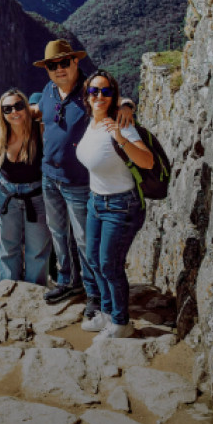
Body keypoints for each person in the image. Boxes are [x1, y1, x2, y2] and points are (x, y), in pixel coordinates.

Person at [31, 40, 134, 319]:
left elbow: (111, 96)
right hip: (49, 176)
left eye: (65, 62)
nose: (59, 69)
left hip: (77, 182)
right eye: (53, 65)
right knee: (59, 233)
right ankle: (67, 281)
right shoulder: (48, 91)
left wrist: (127, 104)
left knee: (85, 240)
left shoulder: (88, 92)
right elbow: (38, 109)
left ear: (75, 62)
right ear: (48, 70)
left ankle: (95, 295)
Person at [76, 70, 154, 339]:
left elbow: (147, 161)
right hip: (96, 201)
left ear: (113, 95)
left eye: (106, 91)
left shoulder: (122, 125)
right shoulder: (92, 122)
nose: (99, 96)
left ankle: (121, 322)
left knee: (110, 264)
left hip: (121, 205)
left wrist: (121, 137)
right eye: (94, 91)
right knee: (95, 260)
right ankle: (107, 313)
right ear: (86, 95)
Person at [0, 89, 51, 285]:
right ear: (2, 113)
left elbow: (50, 107)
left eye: (18, 106)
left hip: (36, 196)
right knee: (8, 247)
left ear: (26, 107)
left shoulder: (39, 131)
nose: (14, 112)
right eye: (7, 109)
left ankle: (33, 292)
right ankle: (8, 288)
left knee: (37, 249)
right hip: (7, 196)